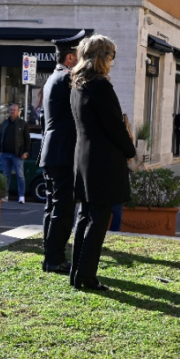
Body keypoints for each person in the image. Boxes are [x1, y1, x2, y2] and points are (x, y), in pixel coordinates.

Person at [69, 34, 136, 291]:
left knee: (85, 217)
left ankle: (78, 273)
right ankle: (86, 276)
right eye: (110, 56)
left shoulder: (78, 85)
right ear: (100, 58)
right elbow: (115, 128)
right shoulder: (100, 86)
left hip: (85, 158)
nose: (111, 61)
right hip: (103, 161)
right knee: (97, 220)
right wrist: (130, 150)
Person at [39, 29, 84, 274]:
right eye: (79, 55)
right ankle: (54, 259)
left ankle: (50, 256)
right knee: (63, 209)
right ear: (70, 58)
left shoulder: (54, 77)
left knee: (52, 207)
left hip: (53, 151)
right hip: (63, 151)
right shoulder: (67, 79)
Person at [0, 103, 29, 203]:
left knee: (20, 175)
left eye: (14, 110)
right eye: (11, 110)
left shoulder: (22, 124)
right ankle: (5, 195)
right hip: (5, 154)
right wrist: (0, 150)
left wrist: (26, 152)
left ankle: (21, 196)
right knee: (5, 175)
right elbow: (0, 137)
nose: (12, 111)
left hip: (18, 155)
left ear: (18, 111)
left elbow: (27, 140)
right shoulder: (5, 123)